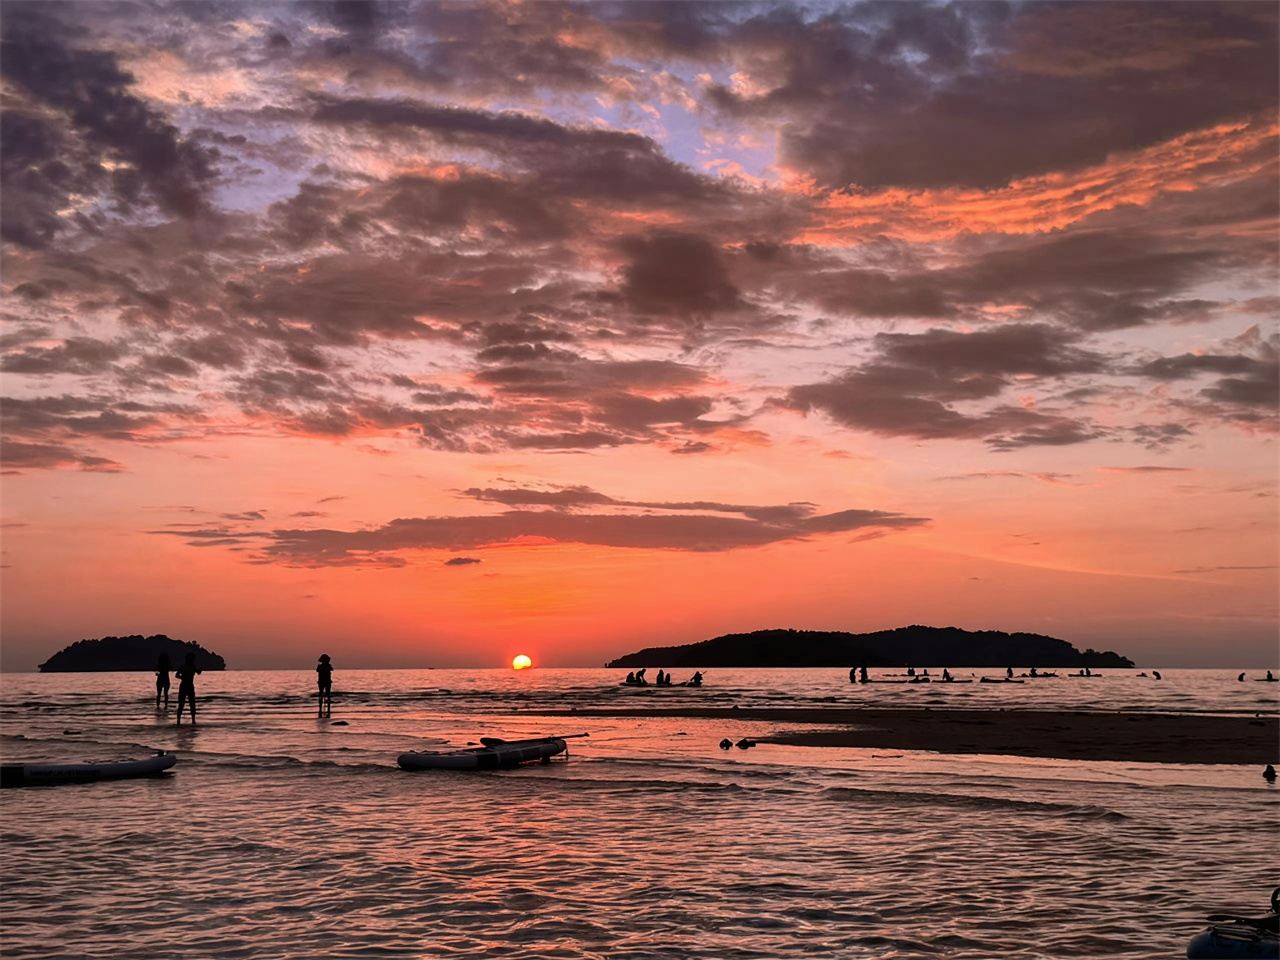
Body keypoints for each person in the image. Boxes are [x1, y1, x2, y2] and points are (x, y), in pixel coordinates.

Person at [175, 652, 201, 725]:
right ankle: (179, 721)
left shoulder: (192, 666)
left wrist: (199, 670)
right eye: (192, 659)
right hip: (184, 686)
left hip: (189, 686)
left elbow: (198, 672)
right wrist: (182, 677)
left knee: (191, 704)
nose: (193, 660)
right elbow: (176, 675)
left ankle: (193, 720)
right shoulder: (184, 666)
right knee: (182, 704)